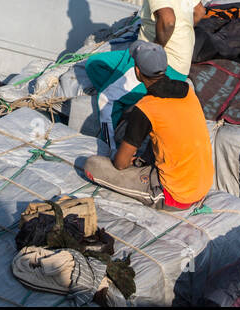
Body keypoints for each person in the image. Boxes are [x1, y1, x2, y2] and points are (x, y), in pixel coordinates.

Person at [81, 41, 214, 211]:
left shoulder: (146, 108)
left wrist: (125, 158)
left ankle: (154, 190)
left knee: (92, 165)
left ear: (136, 71)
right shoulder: (188, 92)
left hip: (175, 194)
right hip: (202, 185)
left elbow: (121, 164)